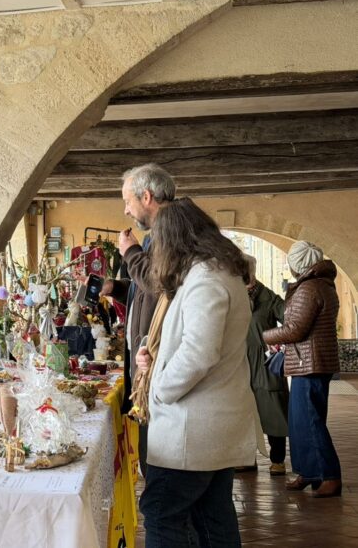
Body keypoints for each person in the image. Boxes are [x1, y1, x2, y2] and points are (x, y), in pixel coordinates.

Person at [136, 198, 257, 548]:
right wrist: (154, 357)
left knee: (162, 514)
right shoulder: (214, 272)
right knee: (212, 516)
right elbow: (188, 339)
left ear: (174, 240)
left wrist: (159, 387)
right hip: (210, 425)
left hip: (194, 427)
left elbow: (199, 353)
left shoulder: (206, 278)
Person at [104, 163, 176, 471]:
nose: (126, 211)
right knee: (151, 462)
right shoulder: (156, 236)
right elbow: (145, 290)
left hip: (158, 366)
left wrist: (130, 253)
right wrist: (115, 288)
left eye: (127, 201)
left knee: (157, 468)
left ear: (146, 196)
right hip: (149, 365)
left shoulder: (170, 234)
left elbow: (159, 283)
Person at [263, 241, 341, 498]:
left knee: (311, 421)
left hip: (310, 363)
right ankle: (308, 472)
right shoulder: (322, 285)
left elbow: (295, 329)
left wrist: (263, 336)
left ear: (299, 264)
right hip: (308, 361)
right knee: (300, 422)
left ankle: (329, 475)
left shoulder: (309, 288)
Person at [236, 255, 289, 476]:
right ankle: (248, 458)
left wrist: (272, 339)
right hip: (239, 364)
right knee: (243, 413)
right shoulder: (232, 297)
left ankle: (278, 459)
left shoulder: (269, 298)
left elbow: (291, 321)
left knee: (274, 410)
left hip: (264, 363)